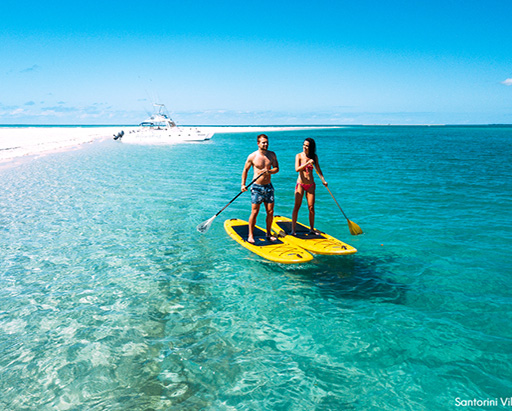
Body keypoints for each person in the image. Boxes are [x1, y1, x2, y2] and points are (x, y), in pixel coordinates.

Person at [241, 134, 280, 244]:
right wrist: (243, 185)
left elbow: (277, 168)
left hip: (268, 187)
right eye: (263, 142)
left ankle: (268, 234)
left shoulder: (272, 155)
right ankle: (250, 235)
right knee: (255, 212)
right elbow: (245, 170)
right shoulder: (252, 156)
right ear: (258, 143)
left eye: (267, 142)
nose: (266, 144)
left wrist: (269, 171)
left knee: (270, 212)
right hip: (256, 187)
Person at [291, 138, 327, 235]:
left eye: (307, 146)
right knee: (297, 206)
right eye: (304, 145)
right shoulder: (298, 156)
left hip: (310, 185)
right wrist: (307, 163)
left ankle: (311, 229)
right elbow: (297, 169)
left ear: (311, 148)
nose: (304, 147)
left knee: (311, 207)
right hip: (300, 184)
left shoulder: (314, 157)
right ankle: (293, 229)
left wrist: (323, 180)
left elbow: (318, 170)